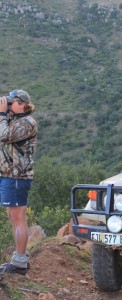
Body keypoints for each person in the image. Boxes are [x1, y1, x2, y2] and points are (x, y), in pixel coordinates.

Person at [0, 90, 37, 275]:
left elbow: (3, 135)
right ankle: (19, 257)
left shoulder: (27, 123)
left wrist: (1, 115)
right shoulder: (14, 120)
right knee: (14, 217)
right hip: (9, 175)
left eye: (11, 102)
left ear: (22, 104)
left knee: (18, 217)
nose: (8, 104)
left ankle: (20, 261)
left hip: (16, 177)